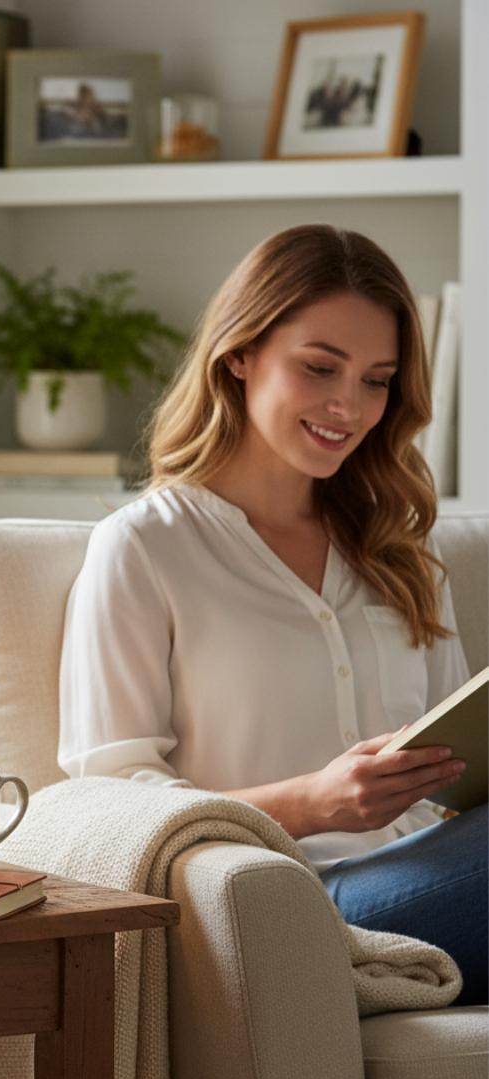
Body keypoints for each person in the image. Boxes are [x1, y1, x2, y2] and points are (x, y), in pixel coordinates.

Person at [58, 224, 486, 1005]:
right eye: (320, 367)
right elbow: (105, 806)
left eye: (376, 380)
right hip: (288, 900)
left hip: (441, 866)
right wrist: (311, 801)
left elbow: (452, 759)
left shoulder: (400, 550)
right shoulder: (147, 549)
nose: (347, 407)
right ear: (240, 354)